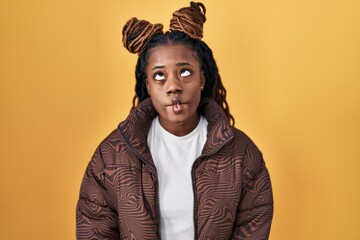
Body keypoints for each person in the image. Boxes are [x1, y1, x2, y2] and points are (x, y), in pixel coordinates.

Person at [76, 2, 273, 239]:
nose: (173, 86)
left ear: (202, 78)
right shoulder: (111, 156)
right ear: (147, 85)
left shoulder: (241, 154)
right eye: (159, 76)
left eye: (185, 72)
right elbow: (95, 228)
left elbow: (253, 224)